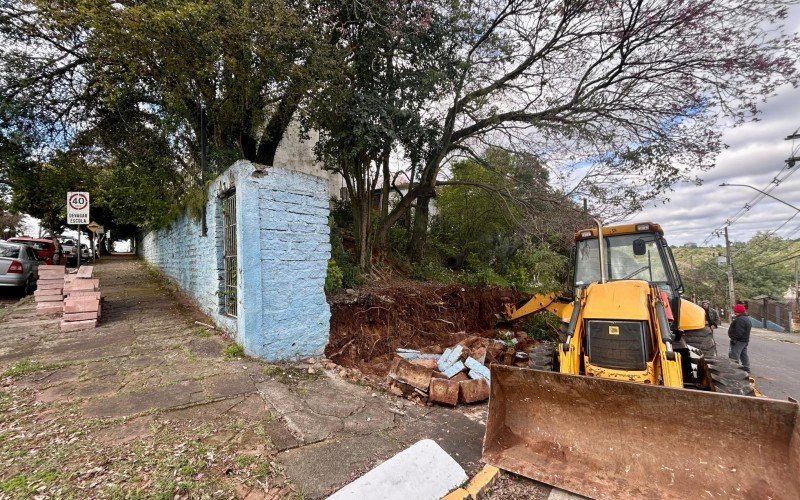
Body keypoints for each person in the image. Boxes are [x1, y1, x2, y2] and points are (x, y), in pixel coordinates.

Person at [728, 303, 751, 372]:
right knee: (743, 354)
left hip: (738, 340)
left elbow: (739, 332)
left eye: (735, 311)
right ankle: (746, 367)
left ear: (738, 312)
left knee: (734, 354)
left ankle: (734, 368)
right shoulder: (746, 318)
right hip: (744, 340)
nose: (734, 313)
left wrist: (734, 338)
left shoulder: (740, 320)